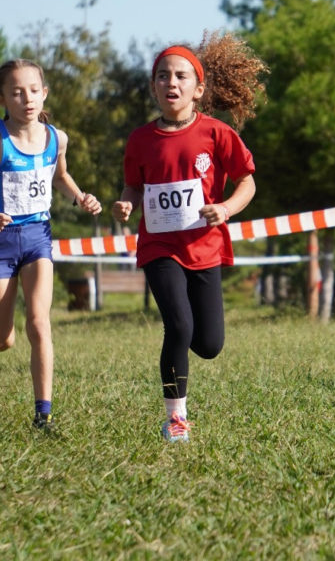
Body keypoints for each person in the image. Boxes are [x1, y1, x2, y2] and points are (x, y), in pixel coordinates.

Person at [112, 33, 266, 442]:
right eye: (162, 76)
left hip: (205, 248)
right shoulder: (140, 140)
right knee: (178, 326)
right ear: (153, 87)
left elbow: (247, 183)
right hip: (160, 247)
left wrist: (227, 208)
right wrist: (126, 204)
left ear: (198, 90)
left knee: (210, 344)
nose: (171, 83)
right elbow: (133, 186)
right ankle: (176, 419)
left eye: (181, 76)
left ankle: (187, 354)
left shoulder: (217, 134)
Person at [0, 59, 102, 430]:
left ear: (44, 93)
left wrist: (81, 197)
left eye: (33, 90)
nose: (27, 99)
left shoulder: (57, 138)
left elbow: (61, 176)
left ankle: (43, 415)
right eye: (16, 92)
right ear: (3, 98)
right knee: (2, 341)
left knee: (39, 322)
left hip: (38, 239)